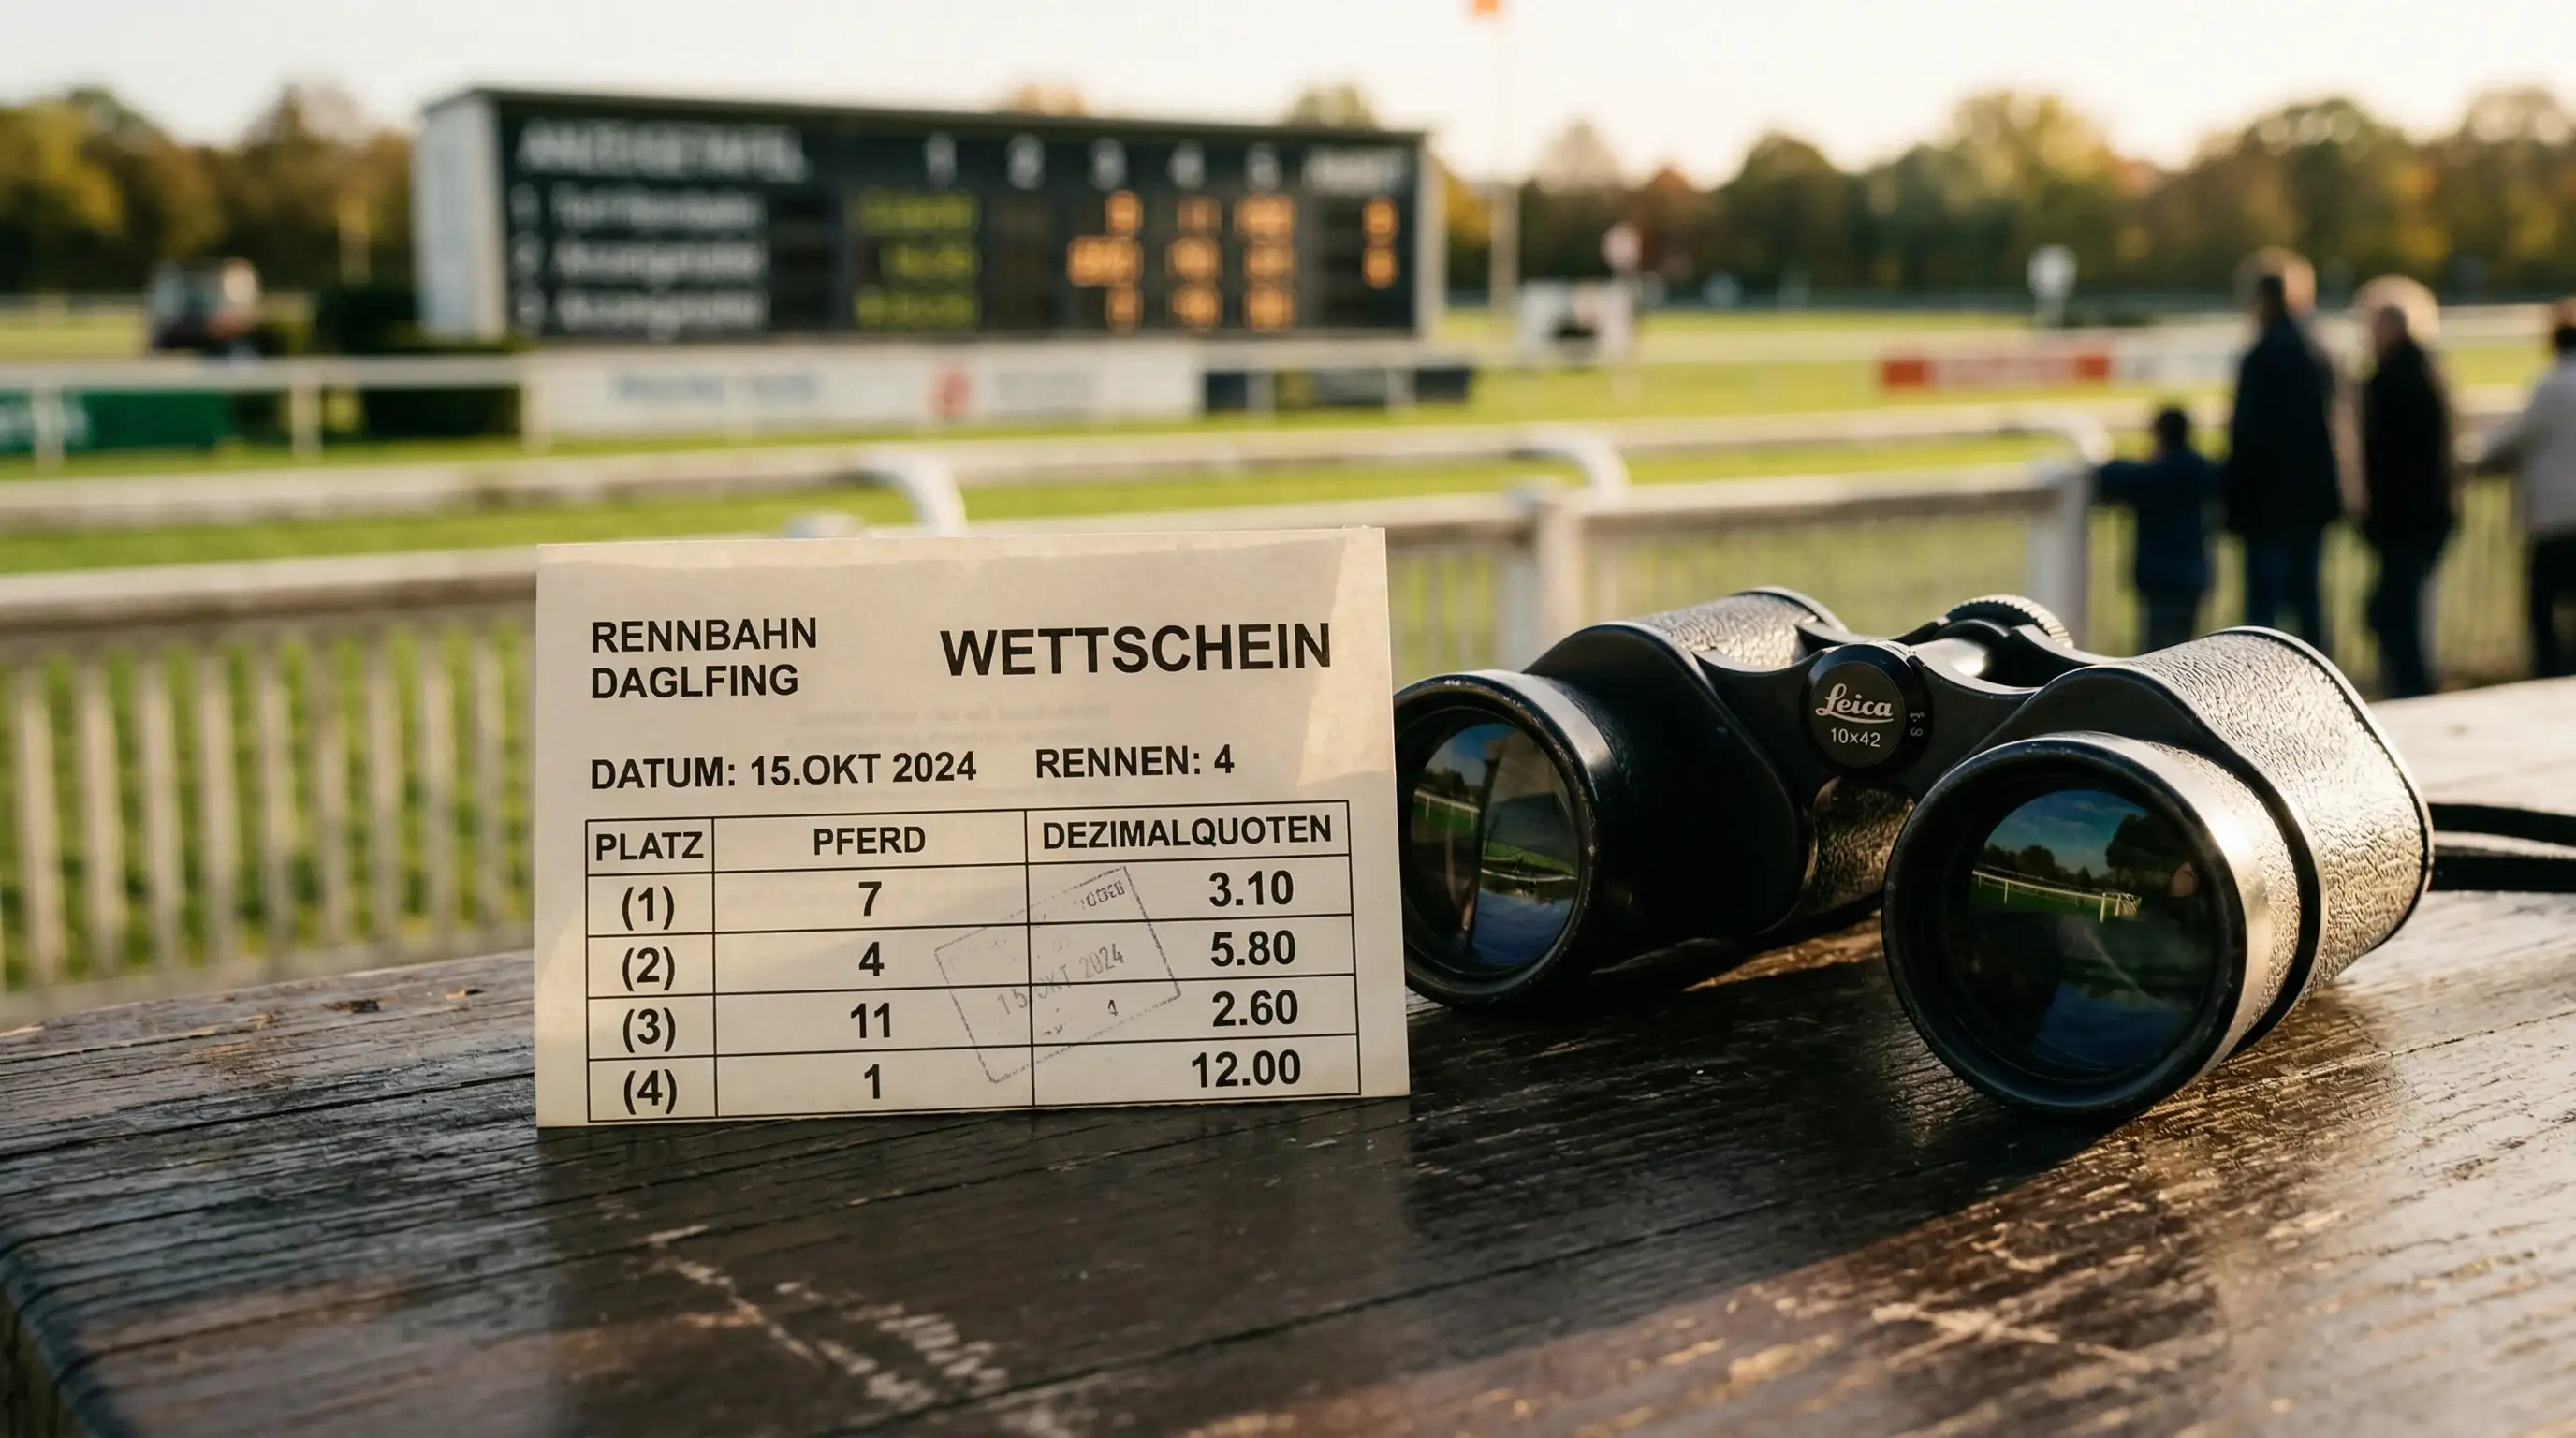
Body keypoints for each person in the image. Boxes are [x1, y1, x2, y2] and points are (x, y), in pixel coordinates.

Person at [2223, 252, 2345, 649]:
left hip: (2268, 506)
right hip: (2312, 501)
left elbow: (2248, 436)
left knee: (2263, 620)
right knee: (2309, 606)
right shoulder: (2322, 351)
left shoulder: (2262, 356)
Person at [2357, 280, 2456, 697]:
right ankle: (2412, 688)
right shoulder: (2430, 372)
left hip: (2403, 519)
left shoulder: (2390, 381)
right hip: (2427, 515)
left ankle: (2412, 693)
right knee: (2403, 612)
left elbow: (2384, 456)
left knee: (2394, 615)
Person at [2473, 301, 2576, 677]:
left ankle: (2552, 678)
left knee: (2544, 610)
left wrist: (2471, 463)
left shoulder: (2552, 386)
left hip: (2556, 520)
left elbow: (2513, 440)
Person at [2096, 405, 2223, 652]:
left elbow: (2110, 476)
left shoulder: (2150, 475)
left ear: (2159, 434)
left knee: (2157, 650)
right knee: (2186, 647)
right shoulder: (2204, 472)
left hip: (2159, 576)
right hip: (2192, 573)